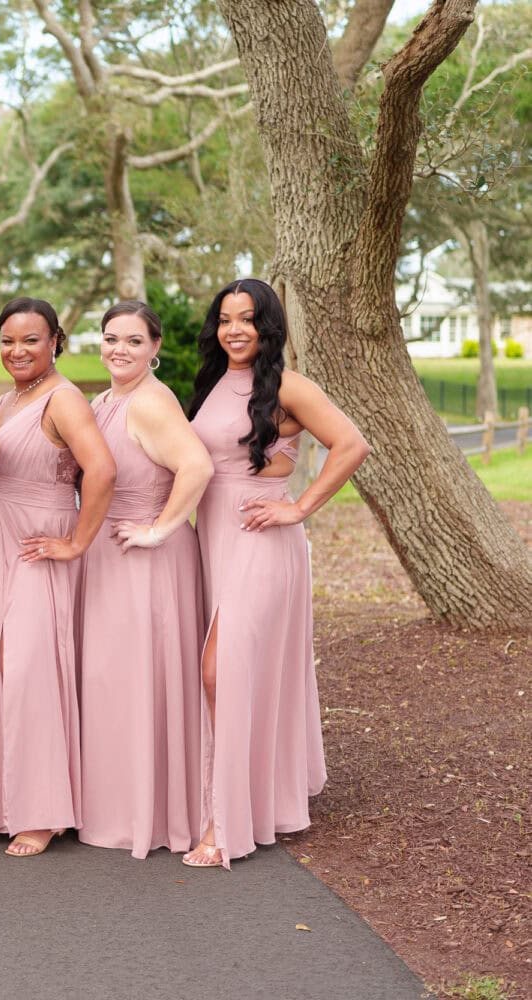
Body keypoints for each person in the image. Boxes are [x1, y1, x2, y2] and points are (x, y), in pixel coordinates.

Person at [183, 278, 369, 869]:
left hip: (263, 541)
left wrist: (298, 505)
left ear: (269, 326)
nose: (235, 329)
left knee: (222, 669)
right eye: (225, 319)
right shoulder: (212, 384)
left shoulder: (289, 386)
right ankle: (239, 791)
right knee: (228, 670)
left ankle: (226, 817)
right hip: (211, 539)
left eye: (248, 319)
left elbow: (351, 444)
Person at [0, 298, 114, 858]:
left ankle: (44, 810)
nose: (16, 351)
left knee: (28, 667)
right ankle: (2, 800)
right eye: (7, 340)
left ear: (56, 340)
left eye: (30, 340)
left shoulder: (64, 398)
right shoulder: (7, 399)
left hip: (34, 543)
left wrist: (77, 540)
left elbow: (101, 469)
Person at [77, 301, 212, 859]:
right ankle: (113, 805)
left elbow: (197, 466)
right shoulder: (105, 401)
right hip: (108, 554)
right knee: (111, 681)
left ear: (155, 348)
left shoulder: (152, 402)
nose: (119, 350)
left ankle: (147, 813)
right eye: (111, 338)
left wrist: (159, 530)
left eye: (134, 341)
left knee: (137, 678)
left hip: (147, 562)